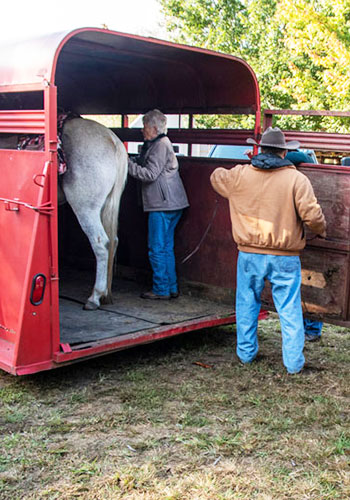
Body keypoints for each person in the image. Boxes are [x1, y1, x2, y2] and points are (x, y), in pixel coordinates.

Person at [210, 127, 326, 374]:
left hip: (248, 254)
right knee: (289, 309)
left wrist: (249, 163)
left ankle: (246, 354)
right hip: (285, 255)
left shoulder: (241, 174)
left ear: (260, 149)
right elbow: (313, 216)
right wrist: (321, 230)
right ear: (284, 152)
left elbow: (216, 176)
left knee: (246, 302)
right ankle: (294, 365)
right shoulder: (296, 179)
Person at [128, 109, 189, 300]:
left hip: (162, 204)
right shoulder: (159, 143)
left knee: (156, 247)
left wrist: (126, 164)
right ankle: (170, 287)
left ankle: (161, 289)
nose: (142, 130)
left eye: (144, 126)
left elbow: (150, 174)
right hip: (171, 203)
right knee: (165, 247)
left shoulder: (160, 145)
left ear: (154, 128)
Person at [285, 150, 324, 342]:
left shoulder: (295, 180)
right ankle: (311, 328)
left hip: (299, 239)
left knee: (305, 286)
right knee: (309, 285)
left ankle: (311, 327)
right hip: (304, 238)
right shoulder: (307, 179)